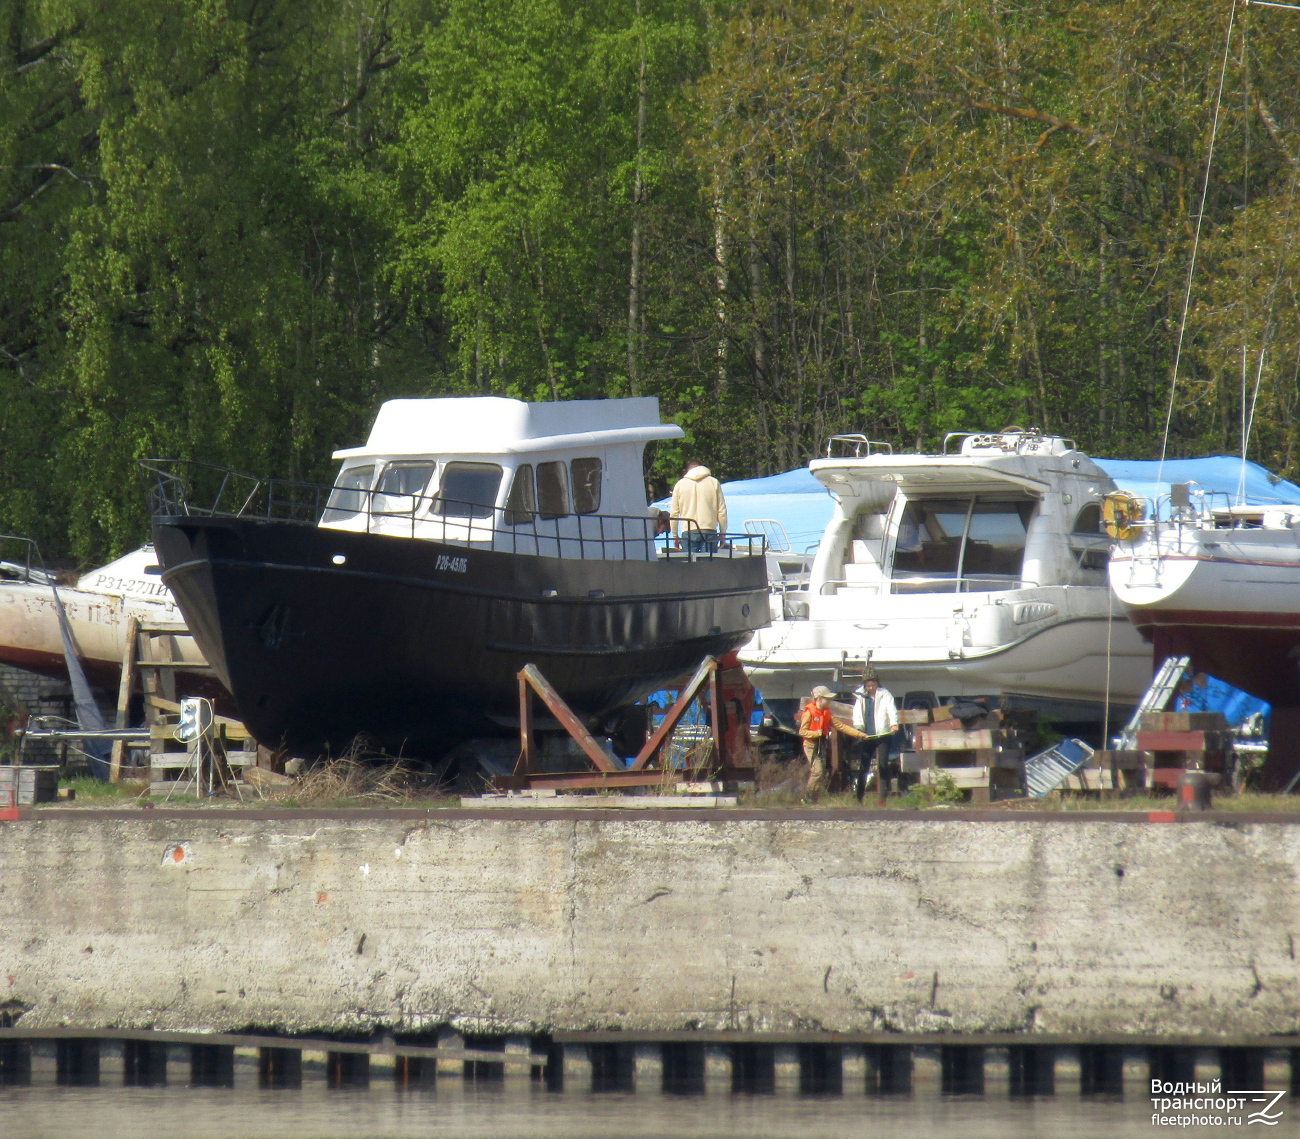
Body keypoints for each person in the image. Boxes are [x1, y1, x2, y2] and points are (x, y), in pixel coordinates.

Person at [851, 665, 898, 803]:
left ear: (877, 682)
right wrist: (858, 728)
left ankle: (883, 798)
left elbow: (891, 709)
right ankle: (859, 797)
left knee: (883, 765)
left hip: (883, 734)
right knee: (863, 766)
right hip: (868, 736)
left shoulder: (885, 694)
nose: (870, 688)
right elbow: (857, 714)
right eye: (867, 685)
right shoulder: (860, 696)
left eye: (872, 685)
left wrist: (893, 723)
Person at [670, 461, 727, 554]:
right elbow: (721, 511)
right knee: (708, 565)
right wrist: (722, 533)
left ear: (688, 470)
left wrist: (675, 535)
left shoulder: (680, 485)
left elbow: (674, 513)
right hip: (709, 530)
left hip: (688, 530)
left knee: (690, 565)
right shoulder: (714, 482)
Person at [798, 685, 836, 794]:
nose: (829, 700)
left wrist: (859, 734)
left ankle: (816, 796)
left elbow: (841, 726)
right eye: (827, 698)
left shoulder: (825, 713)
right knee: (817, 771)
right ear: (819, 698)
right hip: (810, 745)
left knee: (821, 771)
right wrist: (816, 733)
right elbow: (802, 731)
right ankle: (807, 795)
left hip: (820, 745)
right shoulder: (809, 713)